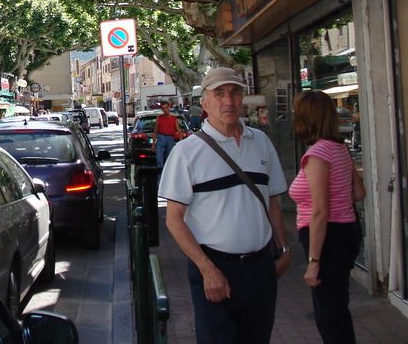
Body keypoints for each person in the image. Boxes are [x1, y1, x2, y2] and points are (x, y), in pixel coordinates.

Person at [158, 67, 291, 344]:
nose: (228, 101)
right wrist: (207, 270)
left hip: (260, 269)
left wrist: (283, 249)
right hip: (215, 268)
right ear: (204, 104)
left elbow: (272, 202)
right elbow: (174, 220)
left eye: (235, 92)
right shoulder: (187, 152)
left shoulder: (262, 142)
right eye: (219, 94)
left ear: (243, 98)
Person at [288, 90, 366, 344]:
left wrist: (314, 260)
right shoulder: (338, 147)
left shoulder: (318, 155)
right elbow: (359, 192)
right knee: (335, 308)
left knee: (329, 314)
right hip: (346, 232)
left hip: (328, 237)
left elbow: (320, 212)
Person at [152, 101, 183, 167]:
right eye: (163, 108)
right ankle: (160, 176)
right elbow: (155, 132)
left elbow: (179, 132)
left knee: (170, 159)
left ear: (169, 107)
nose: (165, 110)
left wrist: (181, 143)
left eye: (166, 107)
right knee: (159, 159)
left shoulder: (174, 119)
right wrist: (153, 144)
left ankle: (168, 175)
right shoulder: (159, 118)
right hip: (161, 138)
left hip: (170, 138)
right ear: (162, 109)